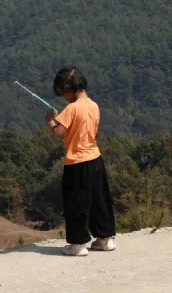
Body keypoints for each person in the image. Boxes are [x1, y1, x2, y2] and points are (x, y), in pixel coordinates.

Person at [45, 66, 117, 257]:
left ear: (69, 87)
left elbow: (57, 133)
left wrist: (51, 120)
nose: (63, 96)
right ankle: (105, 239)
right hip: (95, 159)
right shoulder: (93, 105)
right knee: (99, 200)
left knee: (76, 204)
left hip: (76, 162)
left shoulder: (71, 108)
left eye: (63, 91)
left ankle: (78, 244)